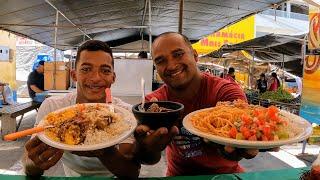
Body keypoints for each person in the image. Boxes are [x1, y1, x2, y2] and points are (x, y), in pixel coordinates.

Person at [135, 32, 274, 176]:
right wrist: (147, 148)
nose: (170, 65)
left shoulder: (225, 92)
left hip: (226, 175)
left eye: (178, 54)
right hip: (178, 175)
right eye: (160, 61)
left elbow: (235, 152)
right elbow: (148, 160)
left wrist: (239, 147)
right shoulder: (154, 104)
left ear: (195, 56)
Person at [23, 40, 143, 178]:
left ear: (113, 77)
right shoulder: (53, 108)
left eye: (105, 70)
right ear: (74, 75)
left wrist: (104, 152)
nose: (96, 78)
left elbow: (131, 172)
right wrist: (34, 163)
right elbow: (29, 165)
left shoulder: (125, 114)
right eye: (86, 69)